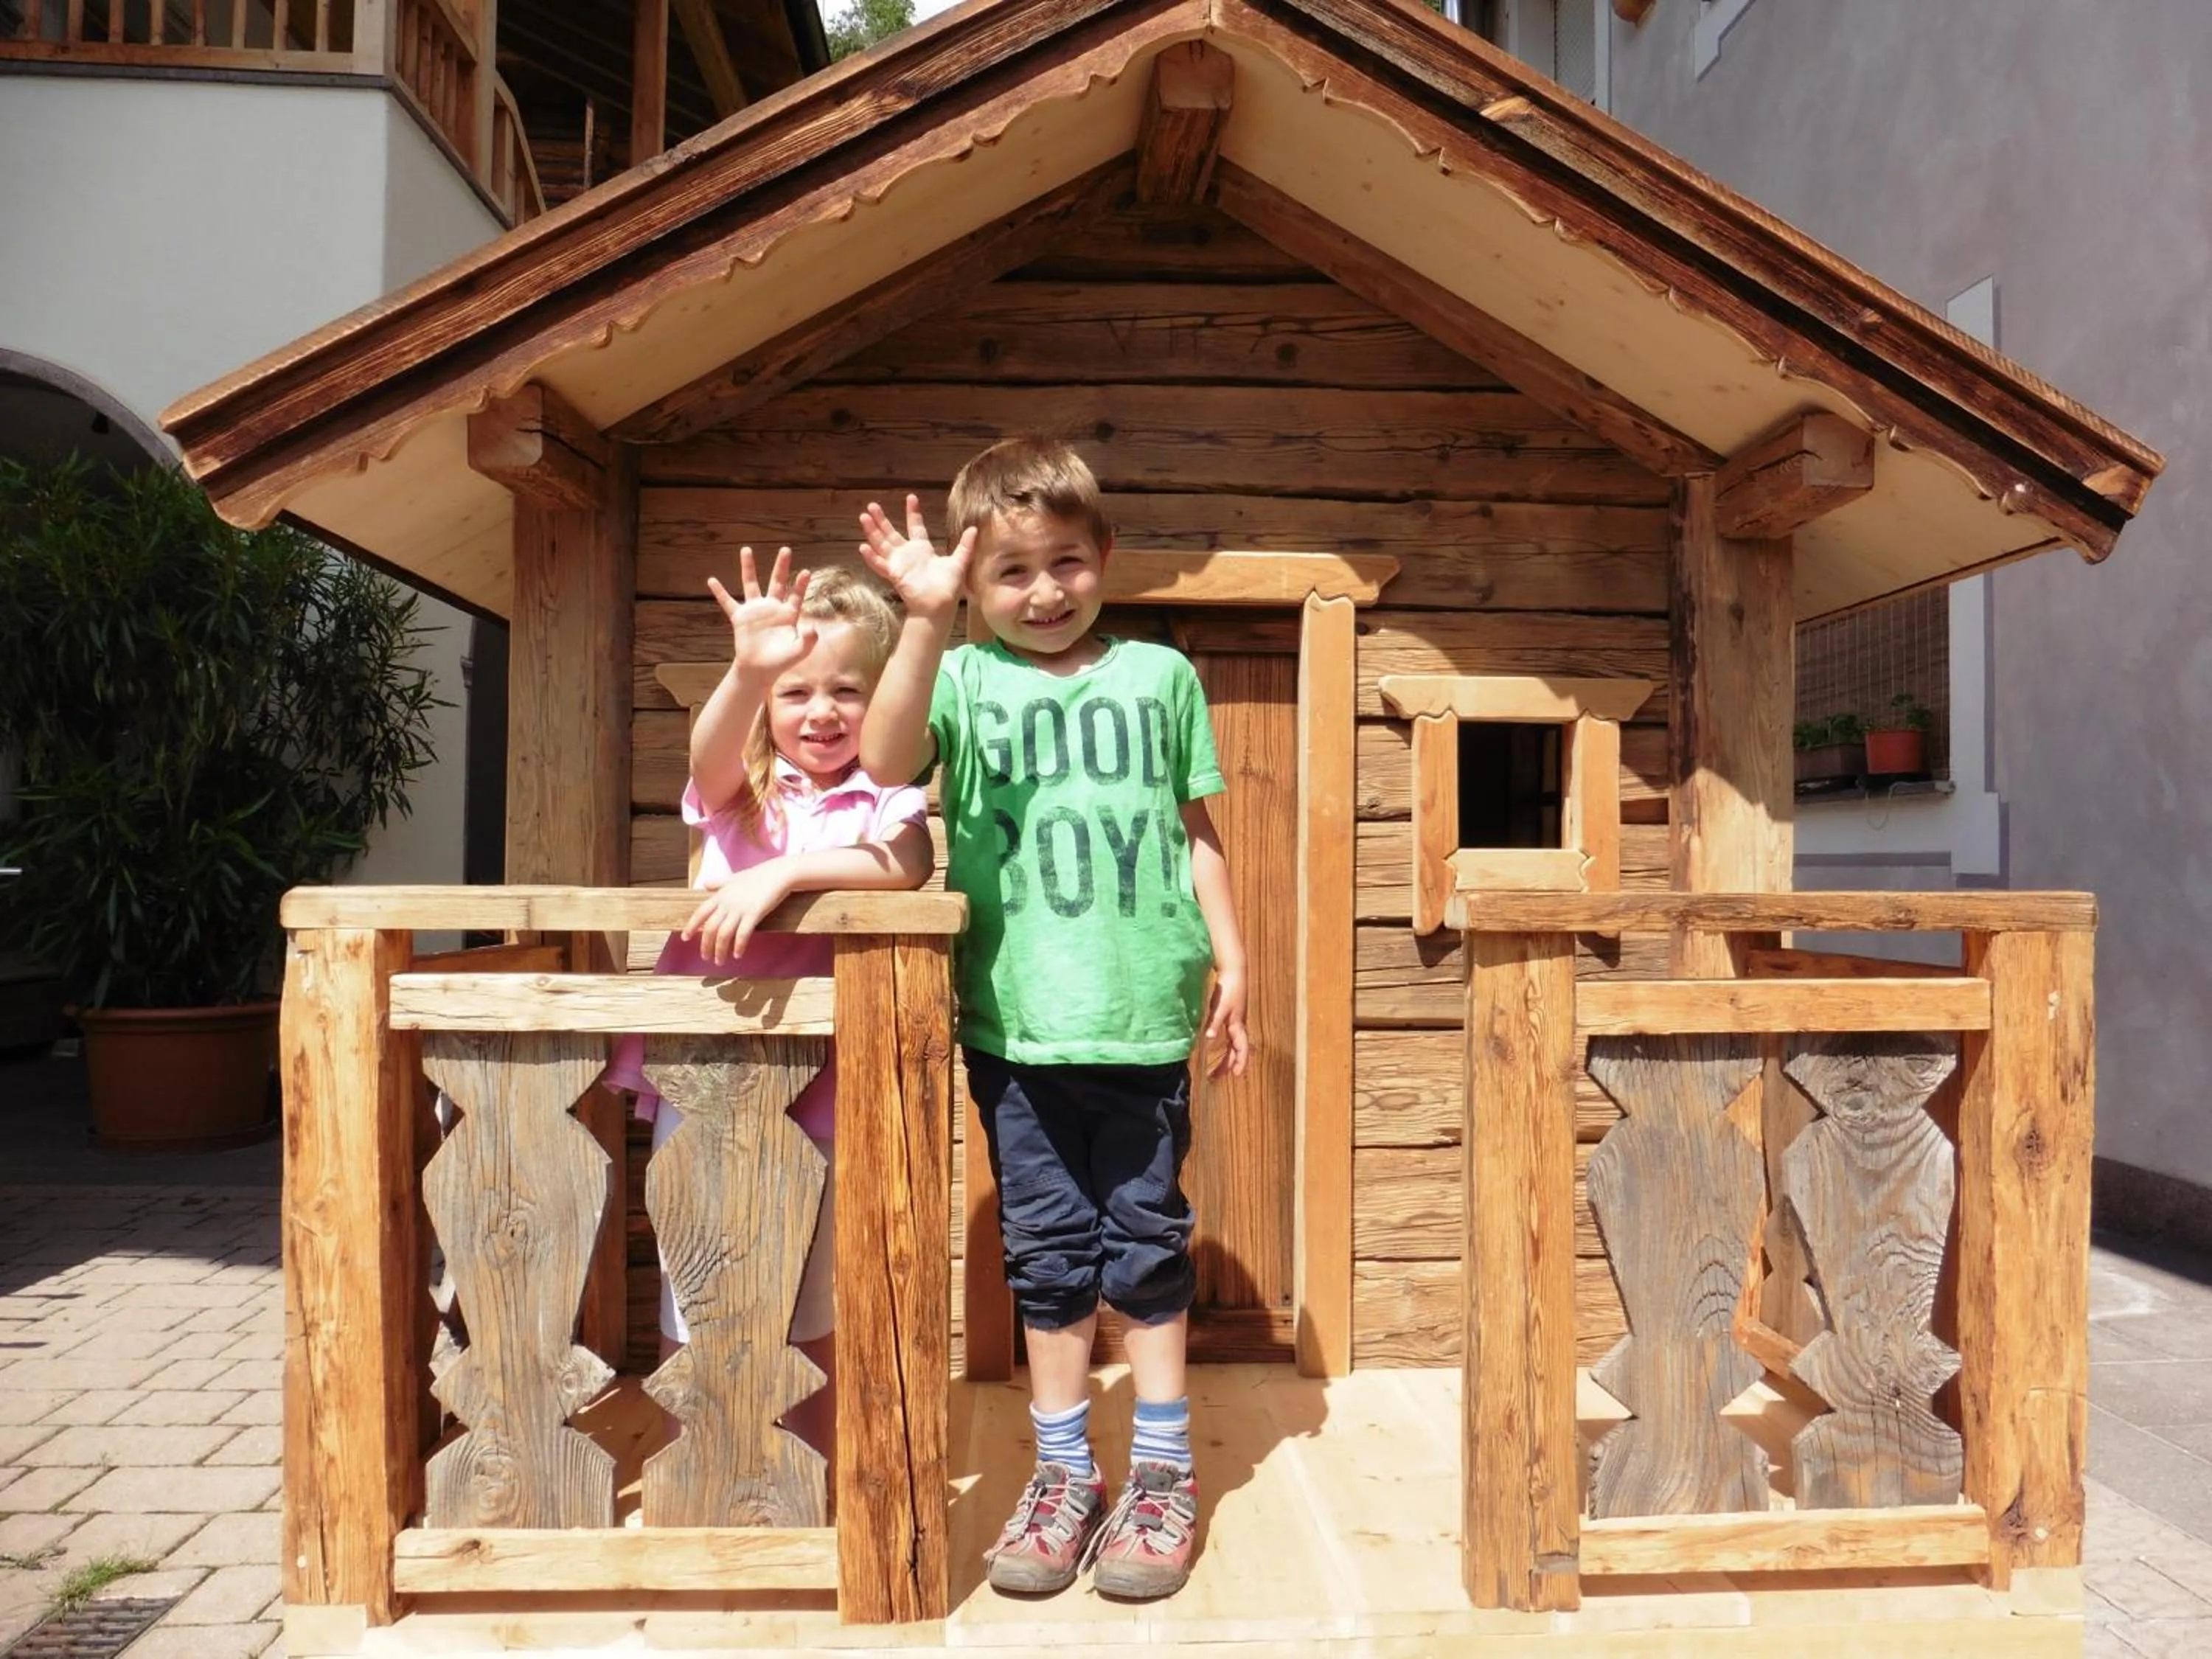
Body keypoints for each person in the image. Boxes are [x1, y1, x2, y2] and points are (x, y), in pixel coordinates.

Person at [857, 437, 1250, 1601]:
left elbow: (1196, 833)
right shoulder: (964, 678)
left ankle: (1165, 1473)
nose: (1044, 591)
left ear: (1106, 555)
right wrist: (923, 621)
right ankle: (1066, 1472)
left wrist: (1235, 957)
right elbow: (884, 754)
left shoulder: (1161, 677)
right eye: (1011, 573)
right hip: (1017, 1027)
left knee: (1145, 1242)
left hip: (1144, 1017)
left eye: (1066, 562)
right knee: (1047, 1257)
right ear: (974, 587)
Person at [604, 554, 933, 1461]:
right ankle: (697, 1469)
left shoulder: (884, 800)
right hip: (706, 1076)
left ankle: (811, 1475)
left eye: (847, 690)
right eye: (794, 693)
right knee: (693, 1280)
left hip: (818, 1084)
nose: (820, 712)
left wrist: (785, 872)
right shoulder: (741, 794)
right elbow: (708, 756)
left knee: (808, 1291)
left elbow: (903, 864)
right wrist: (748, 669)